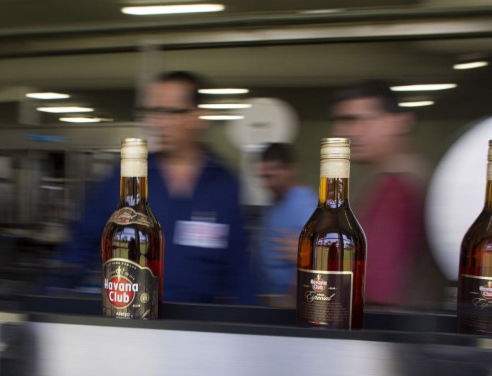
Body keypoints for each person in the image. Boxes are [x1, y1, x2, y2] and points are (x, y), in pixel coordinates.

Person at [39, 71, 254, 304]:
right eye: (153, 112)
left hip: (199, 327)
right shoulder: (126, 179)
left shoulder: (224, 185)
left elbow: (240, 270)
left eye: (170, 112)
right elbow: (80, 248)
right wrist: (45, 300)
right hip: (135, 322)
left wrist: (252, 327)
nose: (157, 122)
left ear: (197, 117)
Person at [330, 79, 444, 307]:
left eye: (355, 120)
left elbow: (375, 286)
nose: (342, 132)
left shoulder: (396, 183)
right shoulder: (413, 172)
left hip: (391, 328)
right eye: (341, 122)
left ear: (399, 123)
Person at [255, 143, 317, 306]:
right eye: (264, 177)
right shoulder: (275, 202)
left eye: (274, 175)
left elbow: (314, 261)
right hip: (270, 297)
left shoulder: (305, 205)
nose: (269, 183)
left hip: (291, 302)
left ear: (292, 169)